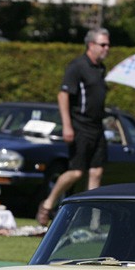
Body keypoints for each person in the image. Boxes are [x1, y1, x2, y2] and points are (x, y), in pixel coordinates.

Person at [36, 27, 111, 226]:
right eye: (103, 44)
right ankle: (47, 205)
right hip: (80, 126)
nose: (107, 48)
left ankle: (93, 222)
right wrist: (67, 126)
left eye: (108, 45)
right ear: (91, 45)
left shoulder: (101, 68)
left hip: (97, 127)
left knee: (96, 172)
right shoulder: (78, 66)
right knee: (77, 172)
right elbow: (63, 95)